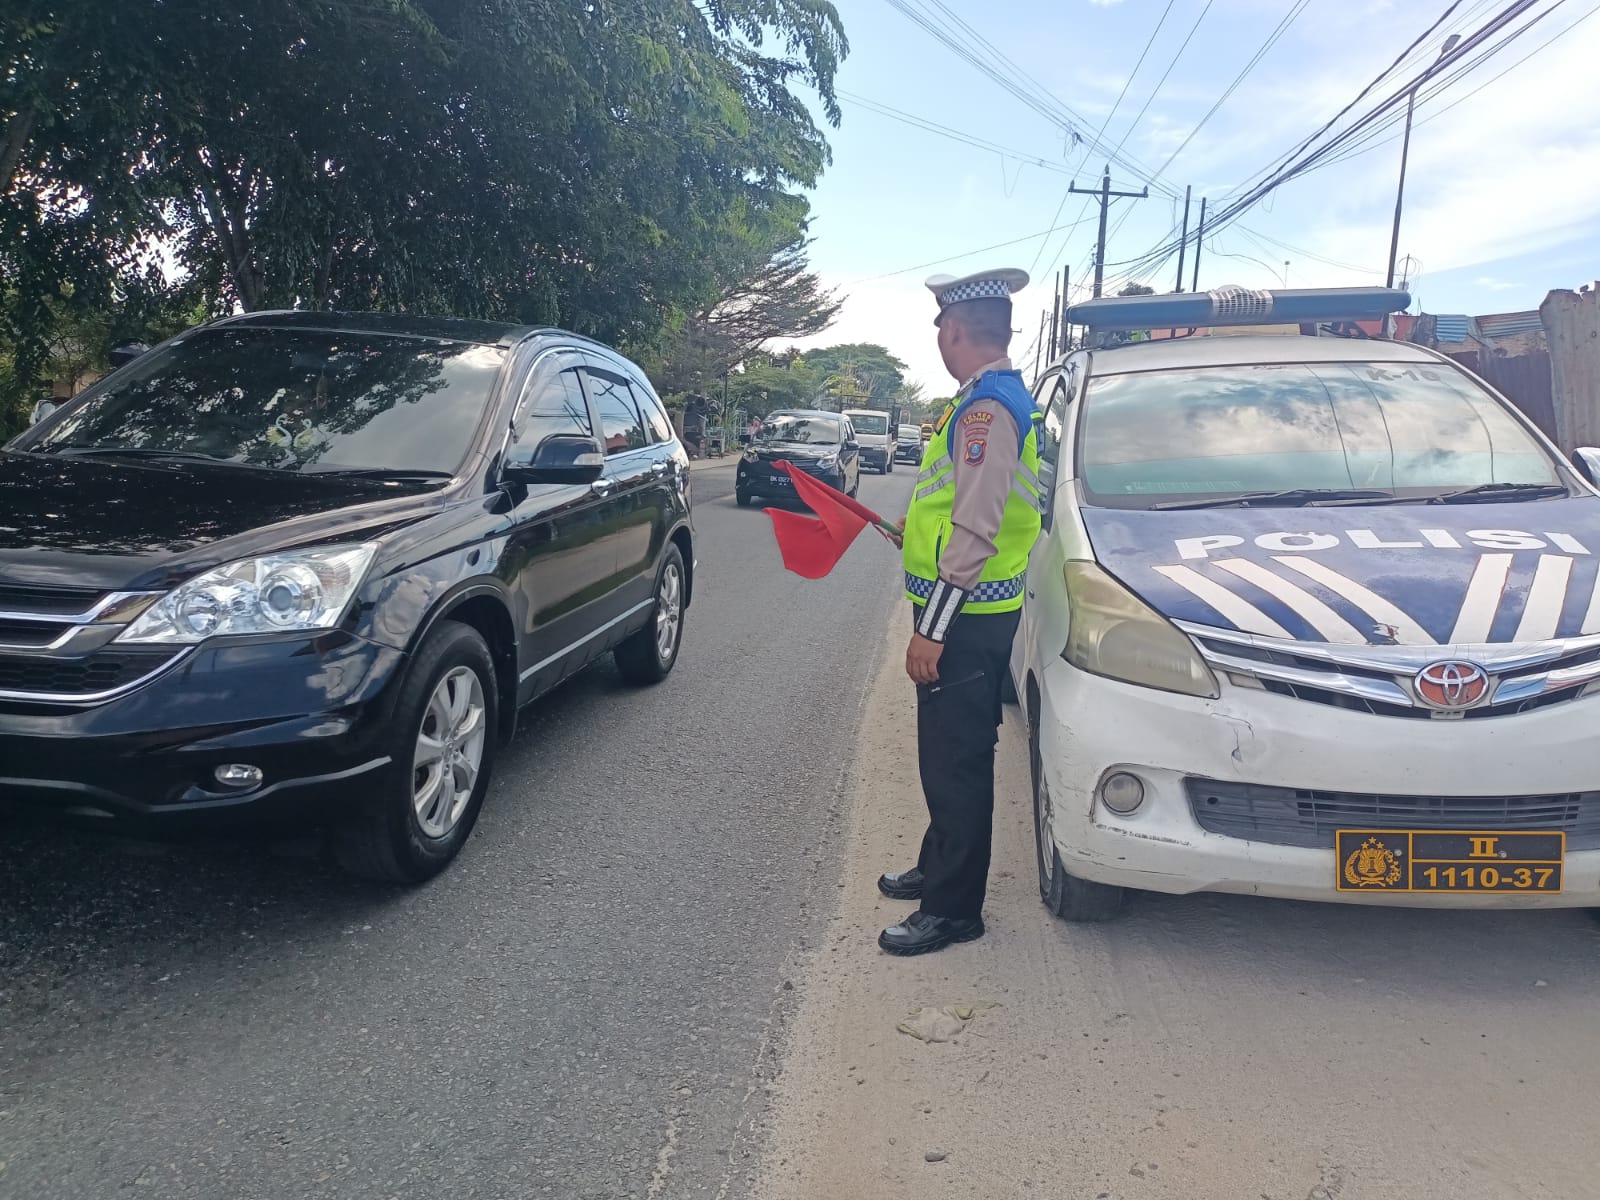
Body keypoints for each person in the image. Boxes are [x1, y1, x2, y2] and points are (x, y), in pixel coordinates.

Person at [878, 267, 1043, 956]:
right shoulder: (984, 399)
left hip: (967, 617)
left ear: (952, 331)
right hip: (972, 609)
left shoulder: (987, 411)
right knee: (945, 752)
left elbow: (977, 529)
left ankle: (953, 910)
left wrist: (932, 630)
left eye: (940, 330)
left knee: (958, 760)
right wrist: (911, 529)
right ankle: (939, 862)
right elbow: (960, 505)